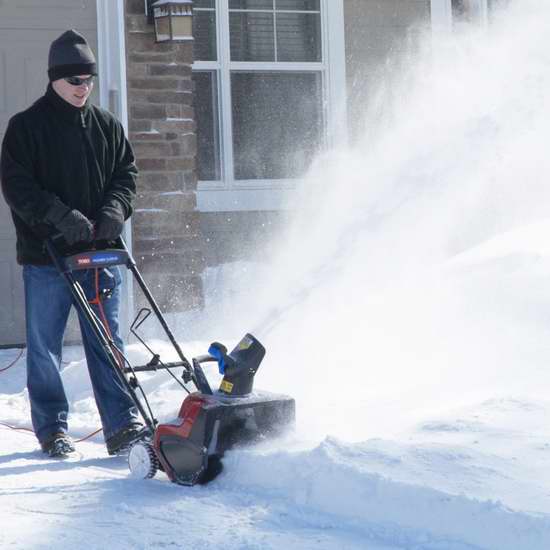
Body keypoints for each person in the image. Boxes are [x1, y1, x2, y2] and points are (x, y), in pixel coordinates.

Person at [0, 30, 144, 458]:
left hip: (100, 254)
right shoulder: (26, 127)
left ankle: (121, 425)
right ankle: (52, 430)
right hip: (48, 259)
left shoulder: (106, 126)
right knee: (45, 347)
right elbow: (17, 186)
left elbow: (126, 175)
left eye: (89, 80)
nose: (84, 89)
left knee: (107, 342)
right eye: (75, 81)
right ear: (54, 79)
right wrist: (61, 217)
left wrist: (115, 211)